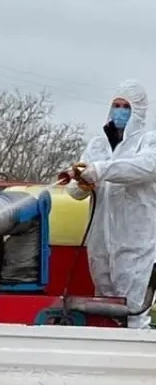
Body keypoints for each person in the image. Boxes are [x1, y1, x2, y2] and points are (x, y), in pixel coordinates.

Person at [58, 80, 156, 327]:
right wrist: (80, 183)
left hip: (135, 242)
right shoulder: (98, 145)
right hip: (100, 241)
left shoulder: (148, 141)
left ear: (138, 110)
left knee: (133, 309)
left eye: (126, 106)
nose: (119, 111)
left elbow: (144, 168)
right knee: (105, 307)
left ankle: (136, 350)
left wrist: (99, 170)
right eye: (116, 105)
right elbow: (77, 190)